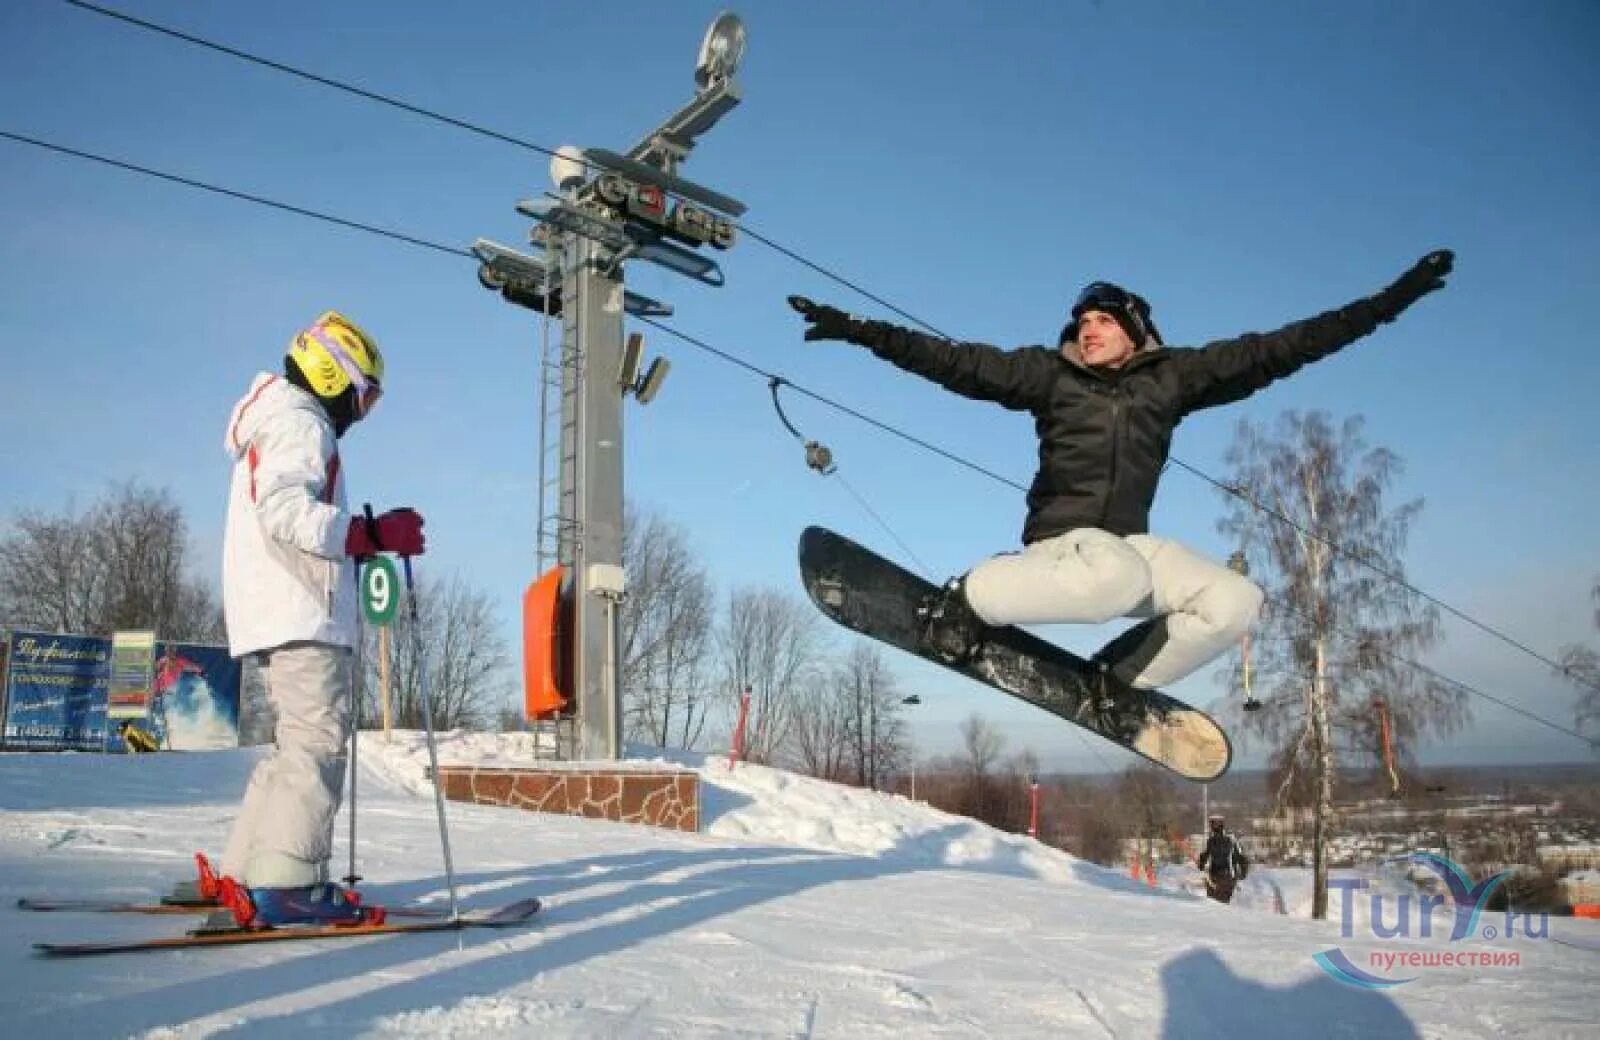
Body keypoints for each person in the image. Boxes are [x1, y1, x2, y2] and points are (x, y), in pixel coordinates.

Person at [788, 251, 1453, 712]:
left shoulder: (1173, 379)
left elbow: (1283, 348)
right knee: (1119, 576)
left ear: (1135, 330)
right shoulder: (1050, 375)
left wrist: (1390, 301)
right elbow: (953, 362)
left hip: (1128, 547)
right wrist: (859, 330)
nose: (1089, 329)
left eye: (1104, 321)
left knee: (1234, 601)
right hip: (1065, 546)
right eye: (1083, 322)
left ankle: (1115, 680)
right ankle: (970, 596)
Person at [216, 310, 425, 925]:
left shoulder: (275, 418)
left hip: (276, 604)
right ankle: (288, 883)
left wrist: (365, 534)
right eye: (364, 396)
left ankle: (243, 871)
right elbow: (283, 508)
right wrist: (367, 531)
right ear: (332, 375)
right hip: (300, 607)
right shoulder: (301, 421)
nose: (362, 413)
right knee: (316, 743)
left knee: (292, 748)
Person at [1197, 814, 1250, 904]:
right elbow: (1205, 855)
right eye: (1213, 823)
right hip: (1216, 877)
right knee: (1214, 903)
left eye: (1216, 823)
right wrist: (1201, 864)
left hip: (1227, 876)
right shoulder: (1211, 840)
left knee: (1217, 903)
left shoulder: (1231, 840)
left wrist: (1243, 872)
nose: (1214, 826)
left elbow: (1241, 857)